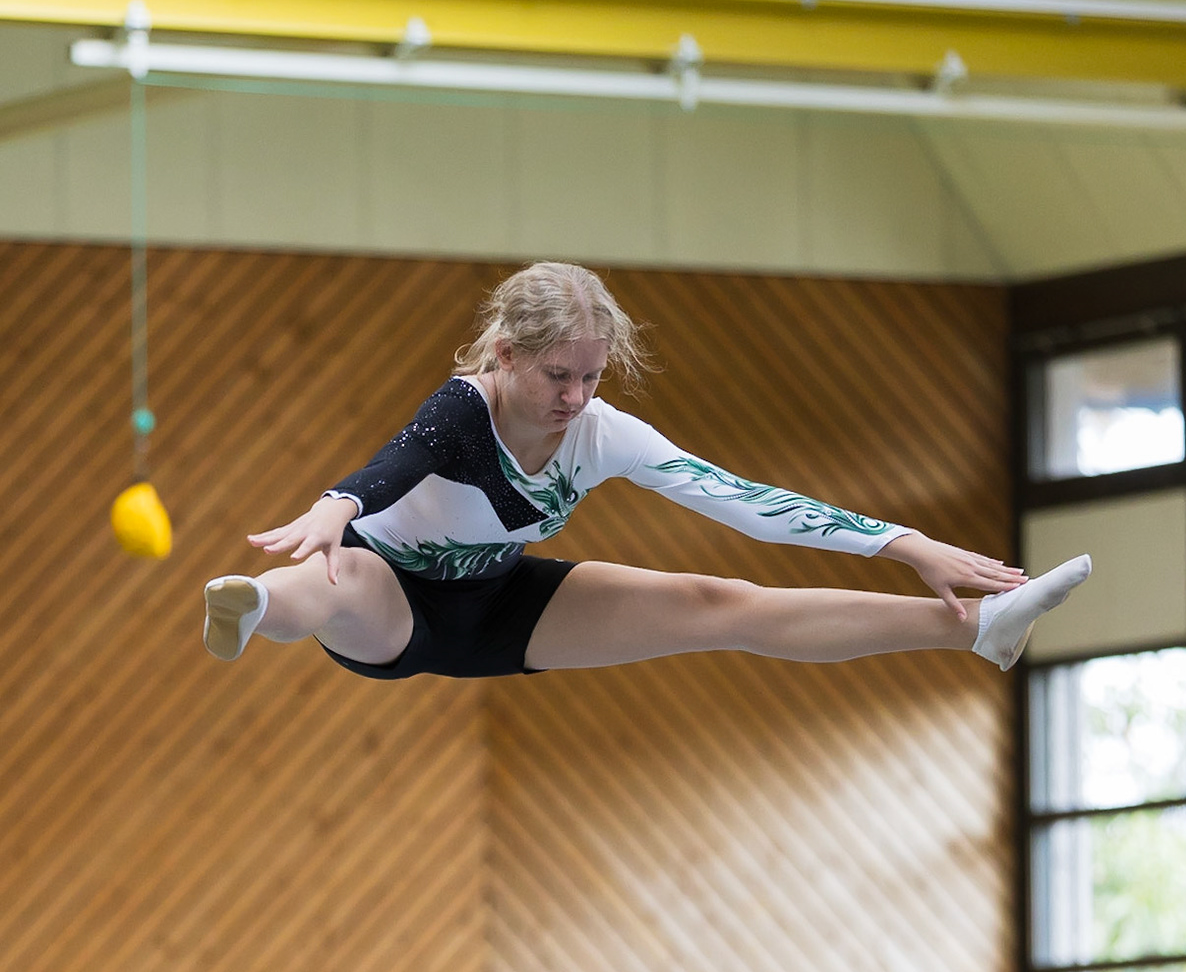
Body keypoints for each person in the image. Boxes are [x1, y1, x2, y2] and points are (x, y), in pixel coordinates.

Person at [203, 261, 1090, 679]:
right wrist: (336, 505)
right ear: (507, 355)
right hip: (395, 598)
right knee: (342, 575)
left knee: (719, 601)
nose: (576, 397)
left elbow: (742, 500)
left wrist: (905, 543)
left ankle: (982, 629)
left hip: (502, 606)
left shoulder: (603, 433)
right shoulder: (465, 408)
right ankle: (252, 605)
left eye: (592, 377)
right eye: (559, 376)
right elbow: (398, 461)